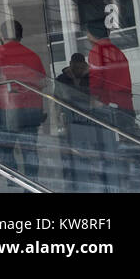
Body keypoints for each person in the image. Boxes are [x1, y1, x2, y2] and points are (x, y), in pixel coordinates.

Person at [0, 20, 47, 180]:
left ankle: (15, 184)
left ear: (1, 35)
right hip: (33, 110)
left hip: (9, 109)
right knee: (29, 150)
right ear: (21, 35)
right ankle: (32, 184)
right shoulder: (32, 55)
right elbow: (43, 82)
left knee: (4, 149)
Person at [85, 19, 136, 190]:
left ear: (91, 34)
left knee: (108, 147)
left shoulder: (97, 51)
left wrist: (94, 100)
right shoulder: (117, 51)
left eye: (87, 33)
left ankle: (113, 182)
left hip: (108, 106)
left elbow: (96, 79)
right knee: (126, 143)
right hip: (125, 104)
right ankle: (129, 177)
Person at [53, 54, 102, 189]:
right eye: (75, 67)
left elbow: (97, 98)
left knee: (89, 149)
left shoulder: (91, 77)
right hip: (70, 120)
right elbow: (56, 101)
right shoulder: (61, 79)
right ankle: (74, 176)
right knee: (73, 150)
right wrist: (58, 120)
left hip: (88, 120)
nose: (78, 70)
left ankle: (90, 175)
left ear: (84, 65)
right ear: (71, 64)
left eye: (80, 67)